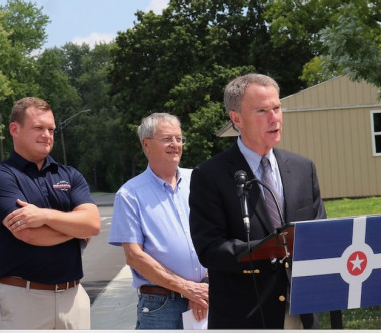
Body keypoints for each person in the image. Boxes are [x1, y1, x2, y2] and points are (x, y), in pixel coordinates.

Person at [189, 73, 327, 329]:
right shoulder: (210, 175)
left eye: (276, 108)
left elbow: (321, 232)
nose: (274, 118)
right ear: (236, 119)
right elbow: (210, 249)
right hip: (246, 316)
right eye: (262, 110)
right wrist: (269, 248)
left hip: (301, 312)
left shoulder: (302, 168)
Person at [0, 97, 101, 329]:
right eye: (38, 128)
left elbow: (93, 224)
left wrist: (45, 217)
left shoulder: (69, 175)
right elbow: (29, 234)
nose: (47, 135)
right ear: (14, 129)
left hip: (73, 298)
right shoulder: (1, 177)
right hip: (23, 298)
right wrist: (75, 228)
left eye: (51, 129)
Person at [108, 113, 209, 329]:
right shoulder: (129, 194)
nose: (175, 145)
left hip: (205, 297)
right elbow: (135, 257)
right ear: (146, 144)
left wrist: (204, 285)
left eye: (179, 138)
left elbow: (217, 235)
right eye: (167, 139)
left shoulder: (199, 180)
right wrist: (186, 287)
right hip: (161, 305)